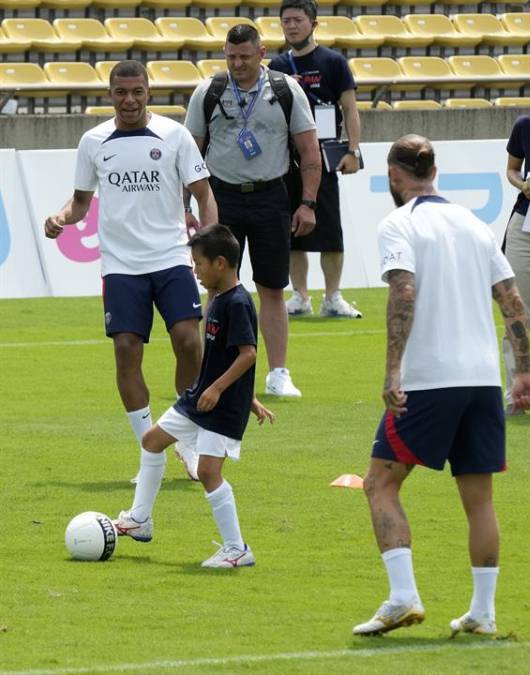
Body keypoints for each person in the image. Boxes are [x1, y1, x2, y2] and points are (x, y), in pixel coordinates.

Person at [353, 135, 530, 637]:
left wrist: (393, 370)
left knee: (380, 484)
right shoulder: (474, 225)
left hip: (430, 381)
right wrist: (522, 371)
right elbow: (513, 301)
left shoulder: (399, 223)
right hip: (481, 380)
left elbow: (404, 291)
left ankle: (402, 596)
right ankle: (483, 612)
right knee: (479, 499)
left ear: (394, 176)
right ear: (435, 171)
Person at [44, 60, 218, 481]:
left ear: (148, 92)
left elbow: (204, 195)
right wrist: (61, 216)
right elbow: (81, 202)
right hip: (121, 264)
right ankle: (151, 447)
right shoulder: (93, 141)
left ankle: (189, 439)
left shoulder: (174, 136)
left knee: (188, 342)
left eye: (137, 91)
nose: (129, 100)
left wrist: (207, 245)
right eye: (121, 93)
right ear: (110, 95)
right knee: (126, 349)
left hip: (172, 256)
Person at [113, 224, 275, 567]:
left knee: (208, 473)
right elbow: (223, 358)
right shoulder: (216, 300)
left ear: (220, 263)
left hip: (219, 405)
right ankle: (140, 518)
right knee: (152, 440)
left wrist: (224, 391)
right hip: (198, 398)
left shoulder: (239, 303)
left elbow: (248, 353)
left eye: (198, 264)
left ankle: (237, 549)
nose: (195, 271)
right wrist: (240, 396)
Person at [184, 24, 321, 398]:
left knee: (272, 288)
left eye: (245, 56)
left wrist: (307, 203)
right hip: (220, 197)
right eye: (231, 56)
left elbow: (310, 152)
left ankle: (278, 372)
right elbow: (189, 154)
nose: (237, 63)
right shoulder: (208, 92)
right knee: (217, 286)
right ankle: (211, 372)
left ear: (262, 54)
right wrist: (186, 207)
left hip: (271, 196)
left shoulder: (285, 90)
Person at [269, 0, 362, 319]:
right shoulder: (277, 65)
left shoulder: (333, 62)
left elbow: (349, 107)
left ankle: (333, 296)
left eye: (297, 20)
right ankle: (300, 296)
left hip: (324, 157)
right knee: (292, 231)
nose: (291, 26)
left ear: (313, 24)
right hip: (286, 159)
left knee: (331, 232)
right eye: (286, 21)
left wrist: (353, 150)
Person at [502, 65, 530, 416]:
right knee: (518, 310)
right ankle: (518, 391)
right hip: (527, 226)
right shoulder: (526, 126)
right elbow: (513, 169)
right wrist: (522, 184)